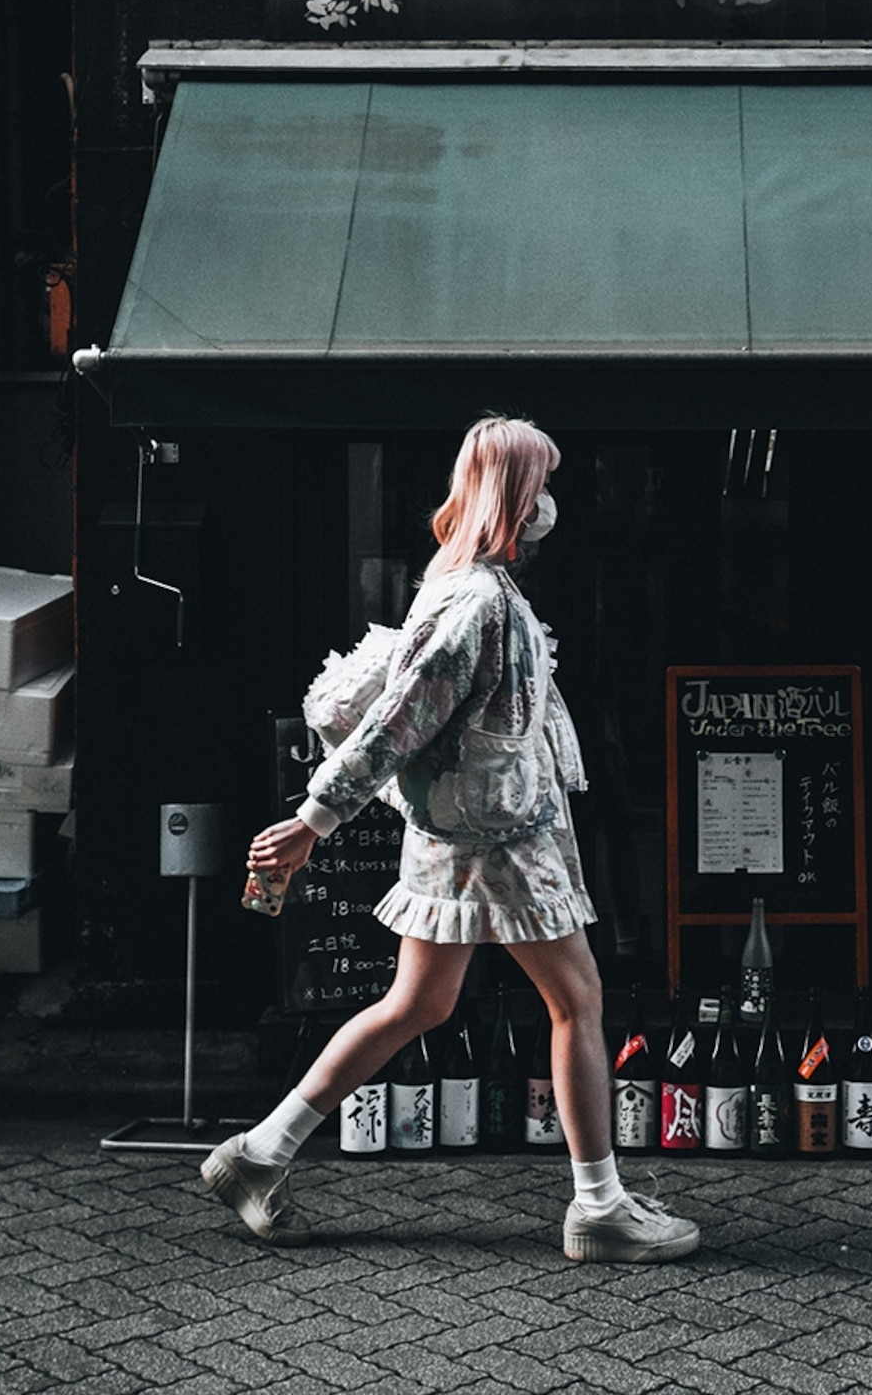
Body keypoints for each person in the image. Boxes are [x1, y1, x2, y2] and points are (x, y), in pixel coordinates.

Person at [204, 416, 701, 1264]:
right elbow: (395, 727)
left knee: (419, 1005)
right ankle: (599, 1206)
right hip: (499, 843)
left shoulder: (472, 585)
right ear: (513, 495)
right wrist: (315, 821)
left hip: (464, 833)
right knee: (578, 1002)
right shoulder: (473, 600)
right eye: (539, 485)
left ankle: (259, 1154)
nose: (550, 502)